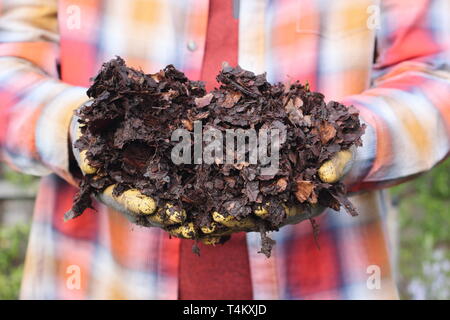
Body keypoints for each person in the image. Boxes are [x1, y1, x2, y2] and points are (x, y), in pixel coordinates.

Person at [0, 0, 448, 300]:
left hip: (333, 281)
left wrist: (350, 141)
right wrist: (78, 135)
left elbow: (435, 70)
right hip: (98, 278)